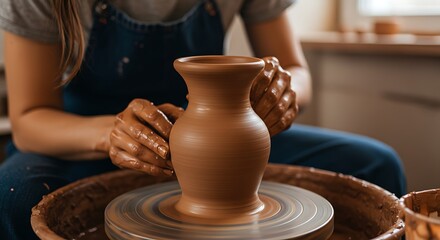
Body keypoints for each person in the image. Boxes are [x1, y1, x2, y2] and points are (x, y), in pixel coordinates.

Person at [0, 0, 406, 239]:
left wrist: (282, 93)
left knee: (376, 164)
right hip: (80, 139)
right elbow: (30, 118)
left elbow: (298, 73)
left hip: (222, 135)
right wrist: (109, 134)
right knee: (16, 197)